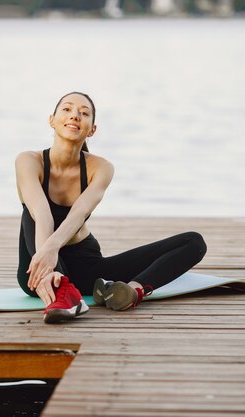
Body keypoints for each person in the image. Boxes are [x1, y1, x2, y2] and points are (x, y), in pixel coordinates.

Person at [15, 92, 207, 324]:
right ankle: (63, 290)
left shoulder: (101, 167)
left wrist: (53, 248)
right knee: (31, 211)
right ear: (52, 120)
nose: (75, 115)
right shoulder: (28, 160)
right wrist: (47, 259)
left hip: (86, 267)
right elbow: (41, 214)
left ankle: (130, 291)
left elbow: (80, 213)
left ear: (92, 129)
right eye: (67, 109)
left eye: (84, 113)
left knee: (194, 243)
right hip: (37, 270)